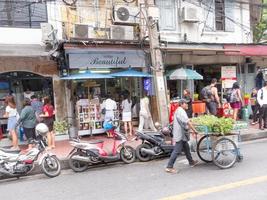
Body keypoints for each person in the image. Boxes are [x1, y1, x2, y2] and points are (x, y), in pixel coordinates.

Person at [165, 99, 198, 174]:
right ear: (182, 104)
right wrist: (194, 130)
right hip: (180, 134)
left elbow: (185, 121)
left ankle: (191, 162)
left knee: (186, 147)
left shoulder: (178, 110)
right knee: (177, 151)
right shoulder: (181, 111)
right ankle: (169, 167)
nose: (187, 105)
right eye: (186, 104)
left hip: (181, 134)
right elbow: (187, 122)